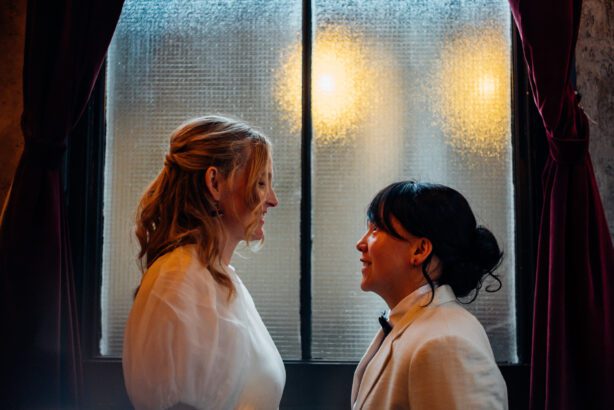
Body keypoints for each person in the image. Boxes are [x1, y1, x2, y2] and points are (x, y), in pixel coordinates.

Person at [122, 115, 285, 410]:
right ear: (215, 182)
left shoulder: (218, 278)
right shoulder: (179, 282)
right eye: (261, 182)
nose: (273, 200)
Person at [352, 181, 508, 410]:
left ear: (419, 250)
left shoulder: (445, 343)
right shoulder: (411, 325)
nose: (360, 243)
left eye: (376, 229)